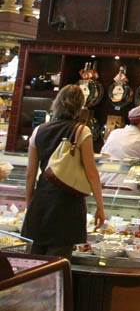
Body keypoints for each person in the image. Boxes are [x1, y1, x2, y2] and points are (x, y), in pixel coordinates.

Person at [22, 84, 106, 258]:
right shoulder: (82, 131)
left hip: (42, 201)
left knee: (35, 261)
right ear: (79, 106)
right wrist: (100, 206)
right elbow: (92, 173)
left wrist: (30, 201)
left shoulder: (39, 130)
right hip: (68, 204)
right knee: (57, 263)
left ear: (57, 103)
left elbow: (30, 172)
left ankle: (33, 286)